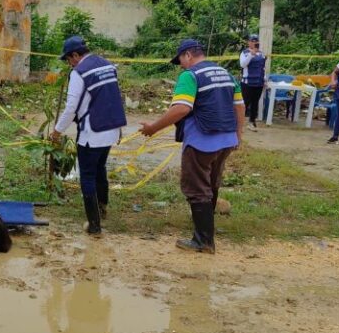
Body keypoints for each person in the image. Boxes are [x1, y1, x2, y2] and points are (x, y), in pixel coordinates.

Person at [139, 39, 245, 254]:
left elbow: (181, 109)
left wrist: (153, 128)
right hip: (226, 140)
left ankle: (203, 241)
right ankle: (205, 230)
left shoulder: (190, 76)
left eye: (180, 60)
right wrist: (238, 136)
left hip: (201, 141)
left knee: (197, 188)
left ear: (188, 55)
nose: (180, 65)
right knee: (211, 184)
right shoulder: (226, 74)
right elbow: (240, 106)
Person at [49, 35, 126, 236]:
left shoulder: (79, 73)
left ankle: (94, 225)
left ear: (75, 55)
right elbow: (114, 98)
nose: (69, 63)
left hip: (93, 132)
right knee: (100, 167)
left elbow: (71, 108)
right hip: (110, 129)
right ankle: (102, 208)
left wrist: (57, 131)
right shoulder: (107, 66)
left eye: (68, 59)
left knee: (88, 176)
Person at [239, 34, 266, 132]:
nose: (254, 43)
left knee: (255, 103)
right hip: (247, 82)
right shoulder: (245, 53)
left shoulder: (262, 54)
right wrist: (251, 54)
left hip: (258, 82)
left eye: (256, 41)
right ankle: (239, 123)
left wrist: (265, 79)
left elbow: (263, 67)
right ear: (249, 42)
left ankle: (252, 122)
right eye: (252, 41)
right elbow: (243, 64)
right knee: (244, 103)